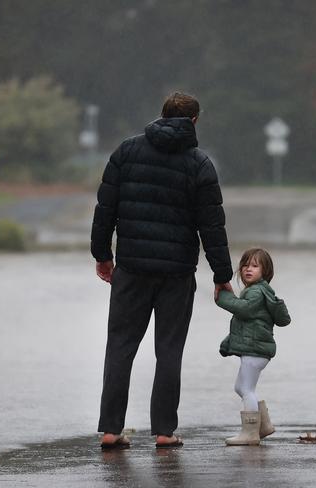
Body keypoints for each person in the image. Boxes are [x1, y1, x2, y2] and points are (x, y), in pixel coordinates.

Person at [91, 92, 233, 450]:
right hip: (176, 273)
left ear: (162, 115)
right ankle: (164, 432)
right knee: (169, 350)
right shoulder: (199, 164)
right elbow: (212, 227)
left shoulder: (127, 151)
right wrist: (222, 275)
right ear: (195, 122)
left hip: (132, 268)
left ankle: (111, 429)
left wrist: (102, 254)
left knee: (120, 347)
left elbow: (105, 206)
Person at [215, 248, 291, 446]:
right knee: (240, 387)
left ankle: (250, 433)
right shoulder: (255, 291)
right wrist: (228, 343)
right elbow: (245, 326)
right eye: (245, 265)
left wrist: (222, 298)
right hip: (256, 349)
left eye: (255, 266)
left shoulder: (256, 291)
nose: (248, 269)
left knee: (247, 389)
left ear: (265, 271)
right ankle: (263, 426)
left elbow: (244, 310)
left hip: (256, 350)